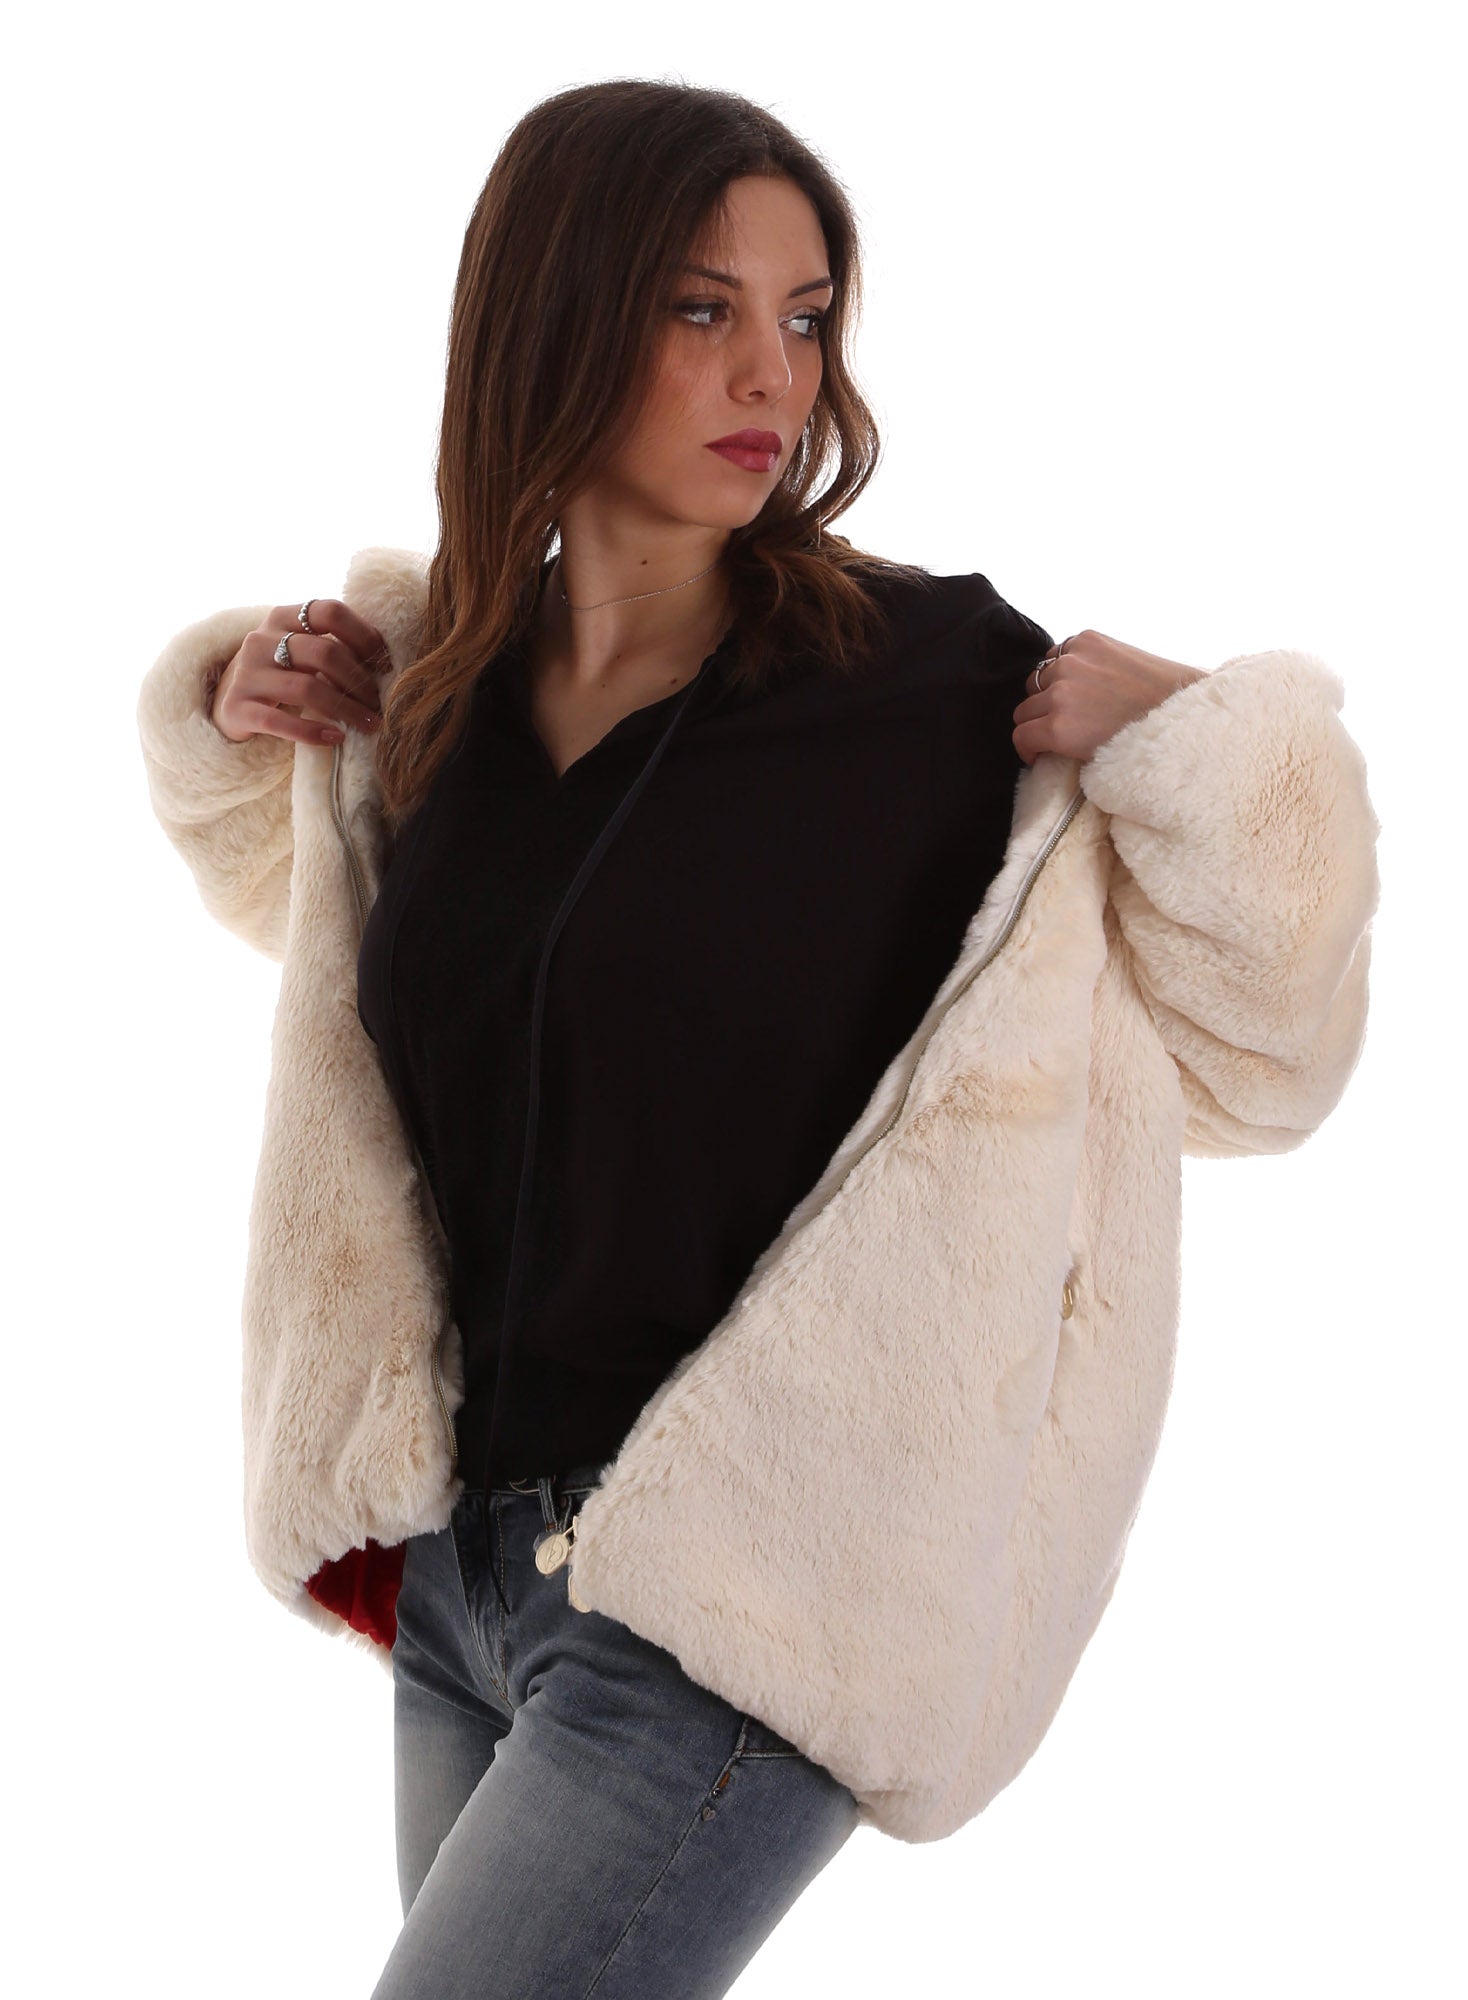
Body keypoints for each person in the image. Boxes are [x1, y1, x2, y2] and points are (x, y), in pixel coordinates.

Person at [134, 80, 1382, 2000]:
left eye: (803, 318)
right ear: (554, 313)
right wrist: (240, 714)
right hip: (461, 1586)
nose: (771, 376)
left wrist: (1203, 745)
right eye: (700, 307)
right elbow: (341, 964)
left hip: (730, 1596)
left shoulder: (932, 686)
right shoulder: (443, 709)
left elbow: (1265, 1055)